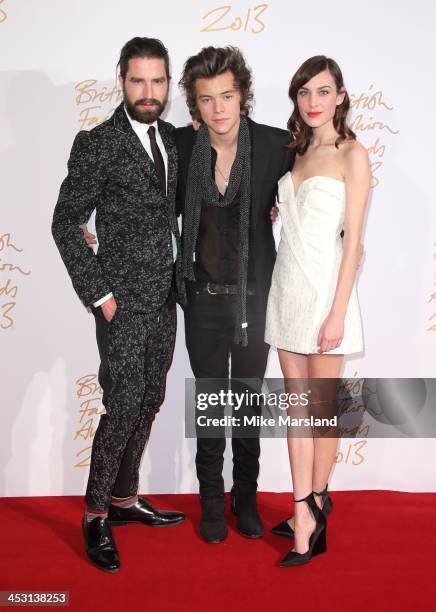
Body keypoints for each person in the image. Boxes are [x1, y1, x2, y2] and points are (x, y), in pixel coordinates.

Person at [52, 37, 186, 574]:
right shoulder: (98, 143)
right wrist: (101, 295)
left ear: (168, 85)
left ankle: (126, 499)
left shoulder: (173, 142)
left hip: (165, 300)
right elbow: (66, 223)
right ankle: (94, 514)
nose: (148, 92)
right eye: (138, 81)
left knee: (150, 398)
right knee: (122, 406)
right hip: (122, 304)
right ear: (121, 81)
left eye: (158, 81)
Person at [175, 47, 293, 543]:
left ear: (243, 95)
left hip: (254, 299)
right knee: (209, 403)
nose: (218, 107)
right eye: (207, 99)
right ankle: (209, 501)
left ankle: (245, 498)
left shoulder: (274, 145)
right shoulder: (178, 147)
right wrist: (94, 228)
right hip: (201, 299)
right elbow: (138, 194)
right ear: (195, 106)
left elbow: (319, 182)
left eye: (227, 95)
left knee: (245, 402)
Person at [265, 55, 370, 566]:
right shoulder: (293, 154)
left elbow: (353, 245)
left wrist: (336, 313)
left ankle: (310, 508)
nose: (312, 102)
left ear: (341, 96)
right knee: (298, 414)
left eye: (323, 92)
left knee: (321, 415)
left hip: (329, 298)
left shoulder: (353, 154)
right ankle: (306, 506)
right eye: (304, 93)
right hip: (286, 295)